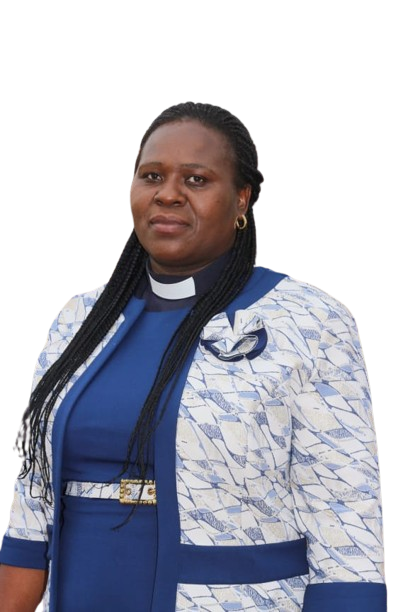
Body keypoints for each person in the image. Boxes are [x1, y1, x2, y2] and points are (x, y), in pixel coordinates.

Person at [0, 101, 386, 611]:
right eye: (152, 176)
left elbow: (345, 514)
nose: (168, 194)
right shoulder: (79, 318)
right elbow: (32, 502)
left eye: (197, 179)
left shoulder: (310, 320)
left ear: (241, 198)